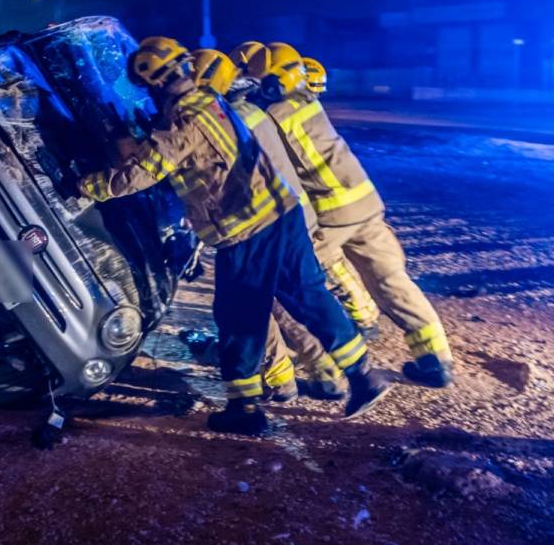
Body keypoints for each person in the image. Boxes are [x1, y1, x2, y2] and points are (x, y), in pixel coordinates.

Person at [77, 36, 390, 435]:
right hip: (283, 214)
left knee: (239, 315)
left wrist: (85, 186)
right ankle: (364, 375)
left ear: (155, 84)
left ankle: (244, 409)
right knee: (309, 294)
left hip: (246, 229)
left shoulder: (181, 123)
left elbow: (141, 173)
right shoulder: (211, 102)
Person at [249, 42, 456, 388]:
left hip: (332, 214)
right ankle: (436, 360)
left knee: (300, 281)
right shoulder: (308, 103)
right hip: (366, 205)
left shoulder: (272, 114)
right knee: (393, 282)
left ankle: (332, 366)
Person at [192, 48, 348, 401]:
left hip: (265, 224)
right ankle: (306, 375)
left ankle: (309, 376)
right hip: (290, 217)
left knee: (268, 304)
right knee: (282, 301)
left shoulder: (227, 120)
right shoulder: (252, 112)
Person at [231, 43, 383, 335]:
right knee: (321, 260)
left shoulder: (261, 106)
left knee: (323, 257)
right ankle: (358, 313)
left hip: (298, 197)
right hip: (300, 192)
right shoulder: (266, 101)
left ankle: (362, 316)